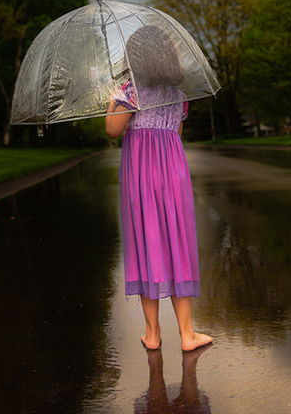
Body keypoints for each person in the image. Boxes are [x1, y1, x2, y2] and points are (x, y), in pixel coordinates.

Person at [105, 25, 212, 353]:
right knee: (176, 242)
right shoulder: (177, 96)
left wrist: (113, 101)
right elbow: (176, 132)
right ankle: (187, 333)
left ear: (135, 59)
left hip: (141, 177)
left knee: (147, 243)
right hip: (173, 175)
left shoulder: (130, 91)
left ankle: (152, 333)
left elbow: (113, 130)